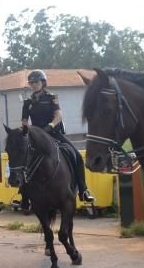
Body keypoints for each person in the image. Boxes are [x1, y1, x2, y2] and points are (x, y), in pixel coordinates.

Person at [20, 69, 96, 209]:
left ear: (43, 82)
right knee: (22, 159)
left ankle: (83, 190)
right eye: (31, 83)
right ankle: (24, 195)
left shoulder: (51, 97)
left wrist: (50, 125)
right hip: (36, 136)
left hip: (53, 133)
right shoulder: (28, 102)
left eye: (36, 82)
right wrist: (26, 130)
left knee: (77, 155)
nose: (33, 85)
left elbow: (58, 115)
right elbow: (24, 120)